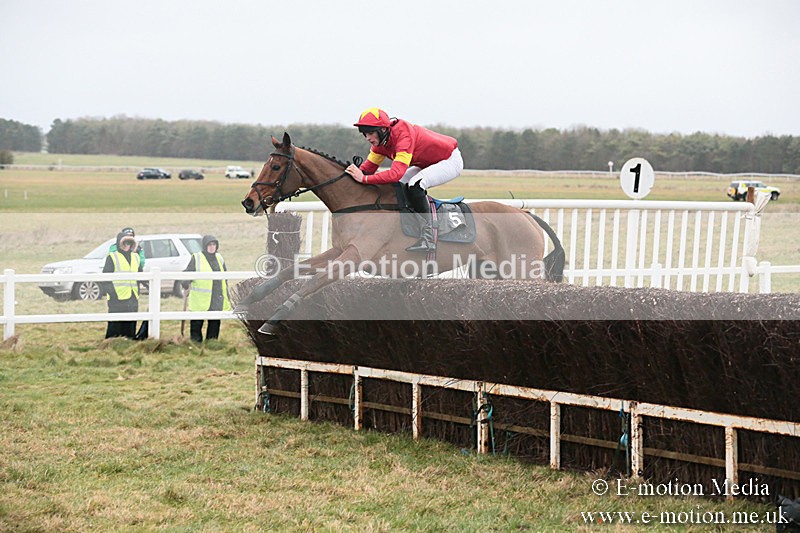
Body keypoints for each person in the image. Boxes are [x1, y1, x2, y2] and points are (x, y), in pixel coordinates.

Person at [345, 107, 463, 253]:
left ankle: (429, 237)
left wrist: (364, 178)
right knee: (396, 187)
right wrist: (351, 173)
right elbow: (368, 168)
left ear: (382, 130)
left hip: (449, 160)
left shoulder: (403, 135)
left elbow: (395, 174)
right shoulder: (380, 144)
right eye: (365, 134)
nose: (367, 138)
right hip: (427, 163)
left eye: (370, 133)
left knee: (415, 186)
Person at [182, 235, 230, 343]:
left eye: (214, 244)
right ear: (204, 246)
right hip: (200, 299)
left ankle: (211, 343)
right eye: (209, 244)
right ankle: (196, 343)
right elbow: (188, 272)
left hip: (216, 296)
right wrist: (185, 282)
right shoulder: (197, 257)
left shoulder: (219, 258)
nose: (212, 247)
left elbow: (225, 276)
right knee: (197, 323)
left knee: (214, 322)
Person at [101, 231, 143, 339]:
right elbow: (105, 278)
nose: (126, 245)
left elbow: (141, 276)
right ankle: (112, 343)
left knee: (131, 323)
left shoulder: (136, 257)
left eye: (129, 243)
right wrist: (112, 293)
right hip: (117, 297)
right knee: (115, 326)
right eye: (124, 243)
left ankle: (130, 341)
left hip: (133, 296)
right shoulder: (112, 257)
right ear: (119, 243)